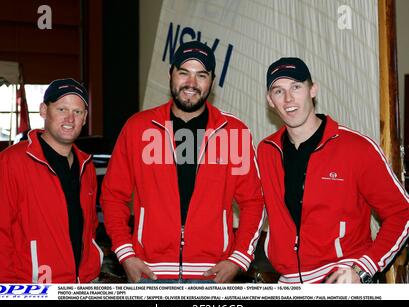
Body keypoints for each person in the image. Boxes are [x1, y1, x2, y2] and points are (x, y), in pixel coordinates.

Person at [100, 41, 265, 283]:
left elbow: (254, 201)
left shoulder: (234, 132)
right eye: (184, 73)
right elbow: (113, 196)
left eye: (201, 75)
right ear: (171, 74)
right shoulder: (138, 128)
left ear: (212, 81)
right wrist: (125, 254)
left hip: (211, 276)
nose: (191, 83)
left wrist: (238, 259)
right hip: (150, 273)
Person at [257, 57, 409, 284]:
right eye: (279, 91)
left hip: (341, 279)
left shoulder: (356, 148)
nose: (288, 98)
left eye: (296, 87)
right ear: (270, 100)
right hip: (287, 282)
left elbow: (402, 213)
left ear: (312, 90)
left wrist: (363, 268)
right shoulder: (266, 151)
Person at [0, 78, 102, 283]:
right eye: (62, 109)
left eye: (77, 112)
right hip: (31, 287)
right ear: (44, 111)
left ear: (85, 118)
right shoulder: (11, 162)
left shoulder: (87, 165)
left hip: (82, 284)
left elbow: (89, 226)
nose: (70, 118)